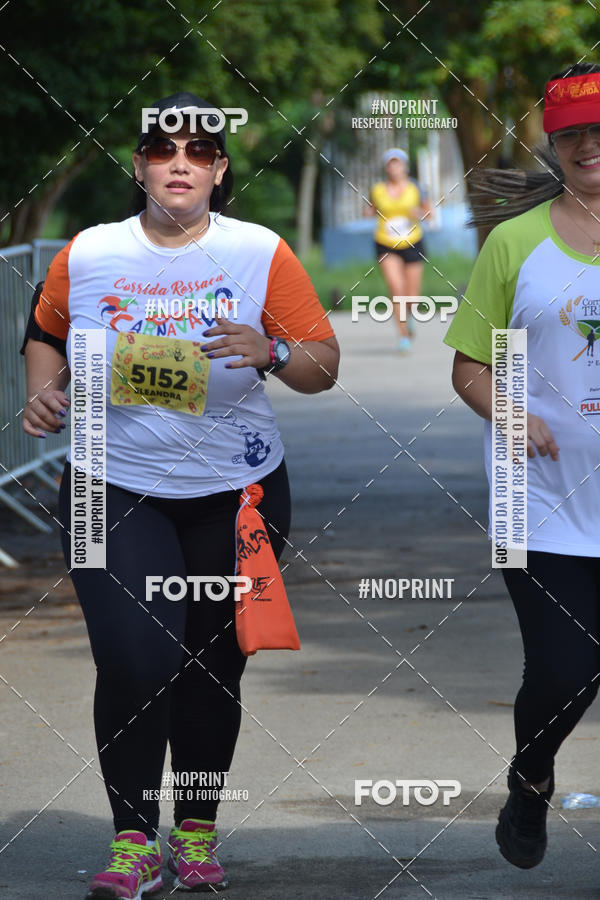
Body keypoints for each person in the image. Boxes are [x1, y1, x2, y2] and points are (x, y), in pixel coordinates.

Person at [21, 91, 339, 899]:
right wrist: (43, 393)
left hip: (239, 491)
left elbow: (323, 364)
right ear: (139, 166)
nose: (180, 164)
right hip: (106, 482)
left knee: (211, 666)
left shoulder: (259, 251)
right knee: (137, 658)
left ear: (220, 169)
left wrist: (270, 350)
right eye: (164, 151)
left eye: (199, 152)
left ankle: (195, 832)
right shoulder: (89, 253)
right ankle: (134, 841)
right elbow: (45, 334)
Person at [444, 62, 600, 872]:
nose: (587, 144)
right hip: (537, 501)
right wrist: (513, 411)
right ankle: (531, 777)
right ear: (551, 142)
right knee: (567, 671)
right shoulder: (516, 243)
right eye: (572, 131)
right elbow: (473, 366)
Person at [364, 147, 431, 352]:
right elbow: (369, 210)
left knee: (412, 297)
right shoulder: (377, 190)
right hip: (386, 243)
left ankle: (409, 318)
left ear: (404, 166)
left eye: (398, 163)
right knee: (396, 288)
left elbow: (429, 214)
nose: (395, 167)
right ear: (386, 167)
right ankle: (403, 336)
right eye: (391, 163)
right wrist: (369, 212)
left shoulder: (416, 188)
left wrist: (417, 212)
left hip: (412, 241)